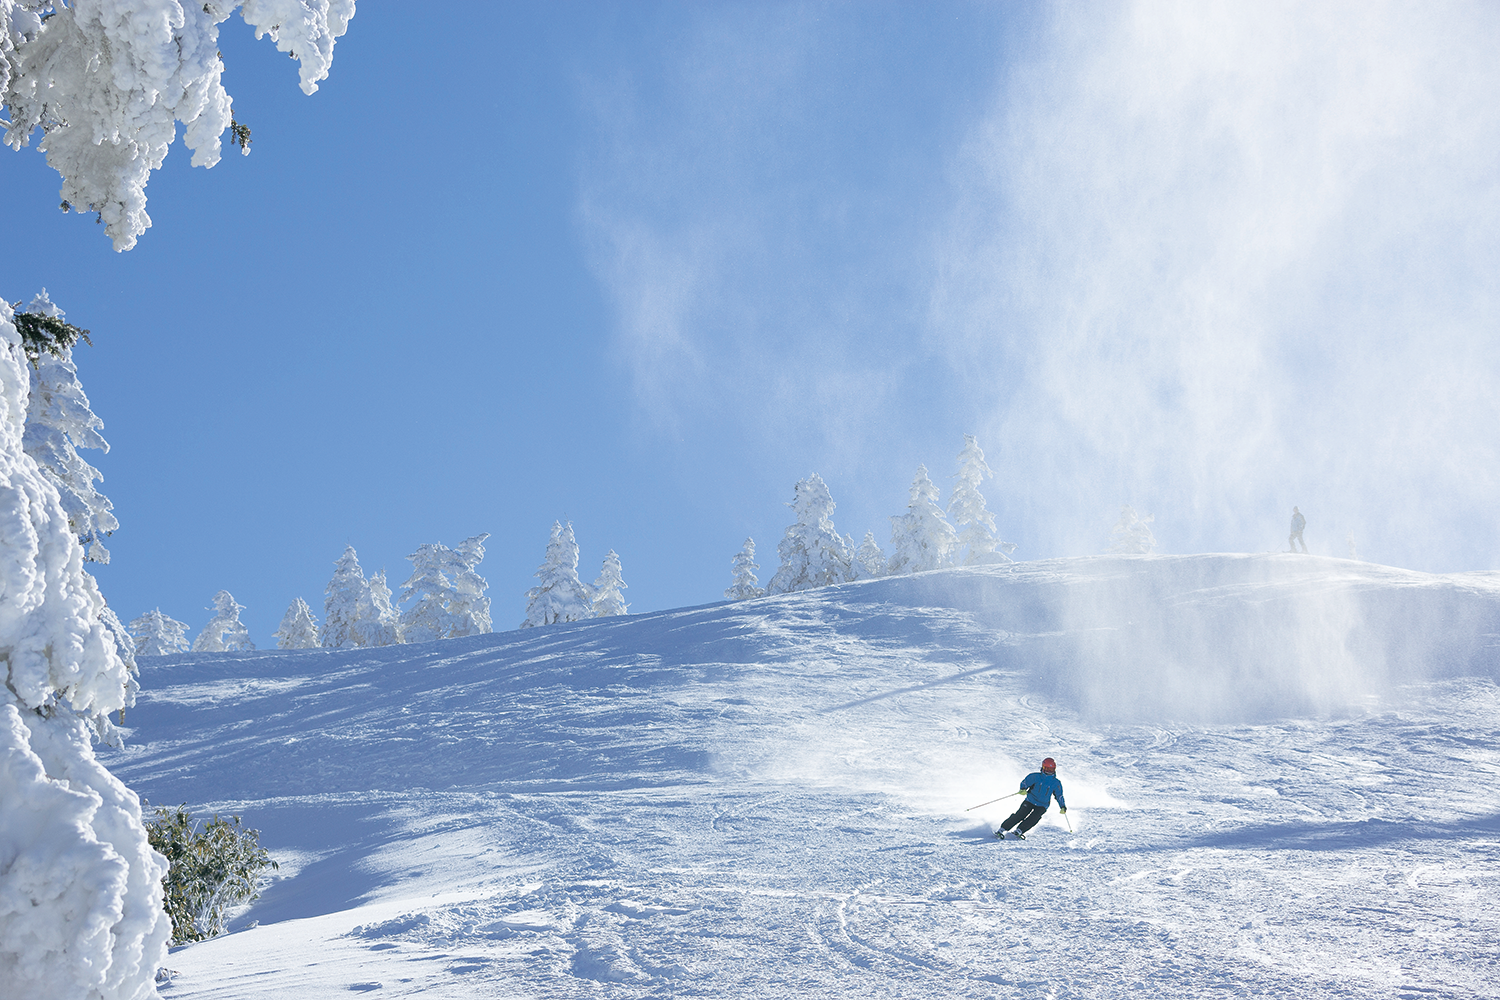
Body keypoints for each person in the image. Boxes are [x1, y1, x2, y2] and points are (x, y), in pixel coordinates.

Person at [996, 757, 1067, 840]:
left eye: (1051, 769)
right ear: (1043, 767)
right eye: (1047, 769)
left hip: (1043, 805)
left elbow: (1059, 795)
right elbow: (1025, 783)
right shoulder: (1035, 777)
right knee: (1020, 814)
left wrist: (1062, 806)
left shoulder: (1056, 783)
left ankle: (1020, 830)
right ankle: (1002, 829)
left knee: (1034, 818)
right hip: (1030, 800)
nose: (1049, 771)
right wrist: (1023, 789)